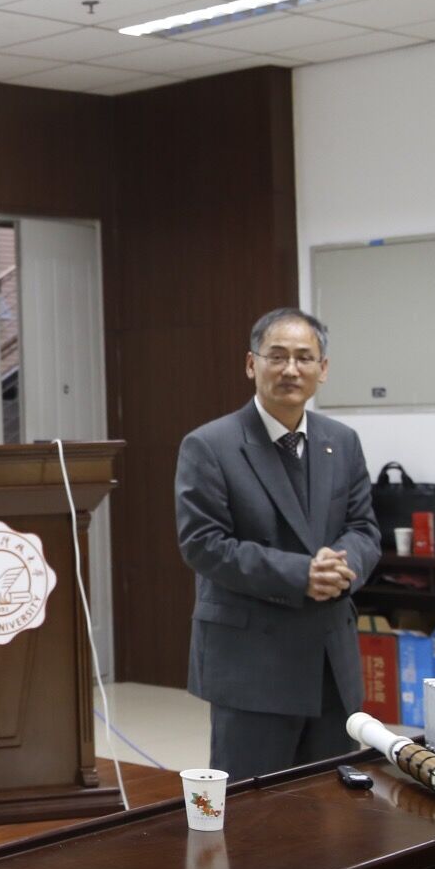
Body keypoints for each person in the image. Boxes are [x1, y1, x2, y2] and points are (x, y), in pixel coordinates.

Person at [174, 307, 380, 779]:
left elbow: (364, 528)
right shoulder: (210, 445)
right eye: (278, 356)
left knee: (333, 805)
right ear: (252, 364)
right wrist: (301, 574)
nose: (291, 369)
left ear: (322, 369)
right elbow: (203, 544)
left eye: (304, 358)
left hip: (330, 661)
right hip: (252, 665)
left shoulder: (342, 441)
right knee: (256, 809)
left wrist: (341, 566)